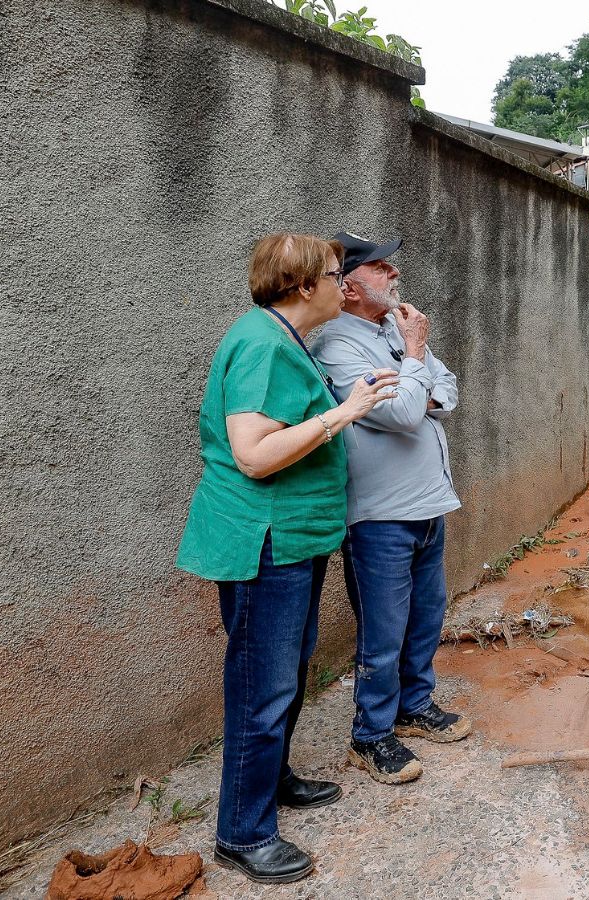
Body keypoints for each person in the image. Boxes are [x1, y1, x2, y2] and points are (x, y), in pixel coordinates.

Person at [175, 233, 400, 884]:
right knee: (262, 687)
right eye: (336, 274)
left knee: (287, 674)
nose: (344, 283)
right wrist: (346, 412)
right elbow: (253, 451)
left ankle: (270, 784)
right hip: (262, 542)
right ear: (305, 287)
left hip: (291, 540)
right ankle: (242, 834)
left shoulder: (283, 340)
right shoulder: (261, 343)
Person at [312, 232, 471, 787]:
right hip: (379, 515)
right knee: (383, 630)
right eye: (380, 267)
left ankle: (414, 705)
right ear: (350, 287)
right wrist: (415, 362)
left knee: (427, 616)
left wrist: (412, 374)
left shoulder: (393, 335)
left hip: (428, 503)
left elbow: (445, 393)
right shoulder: (337, 346)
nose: (393, 274)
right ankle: (371, 735)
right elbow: (404, 414)